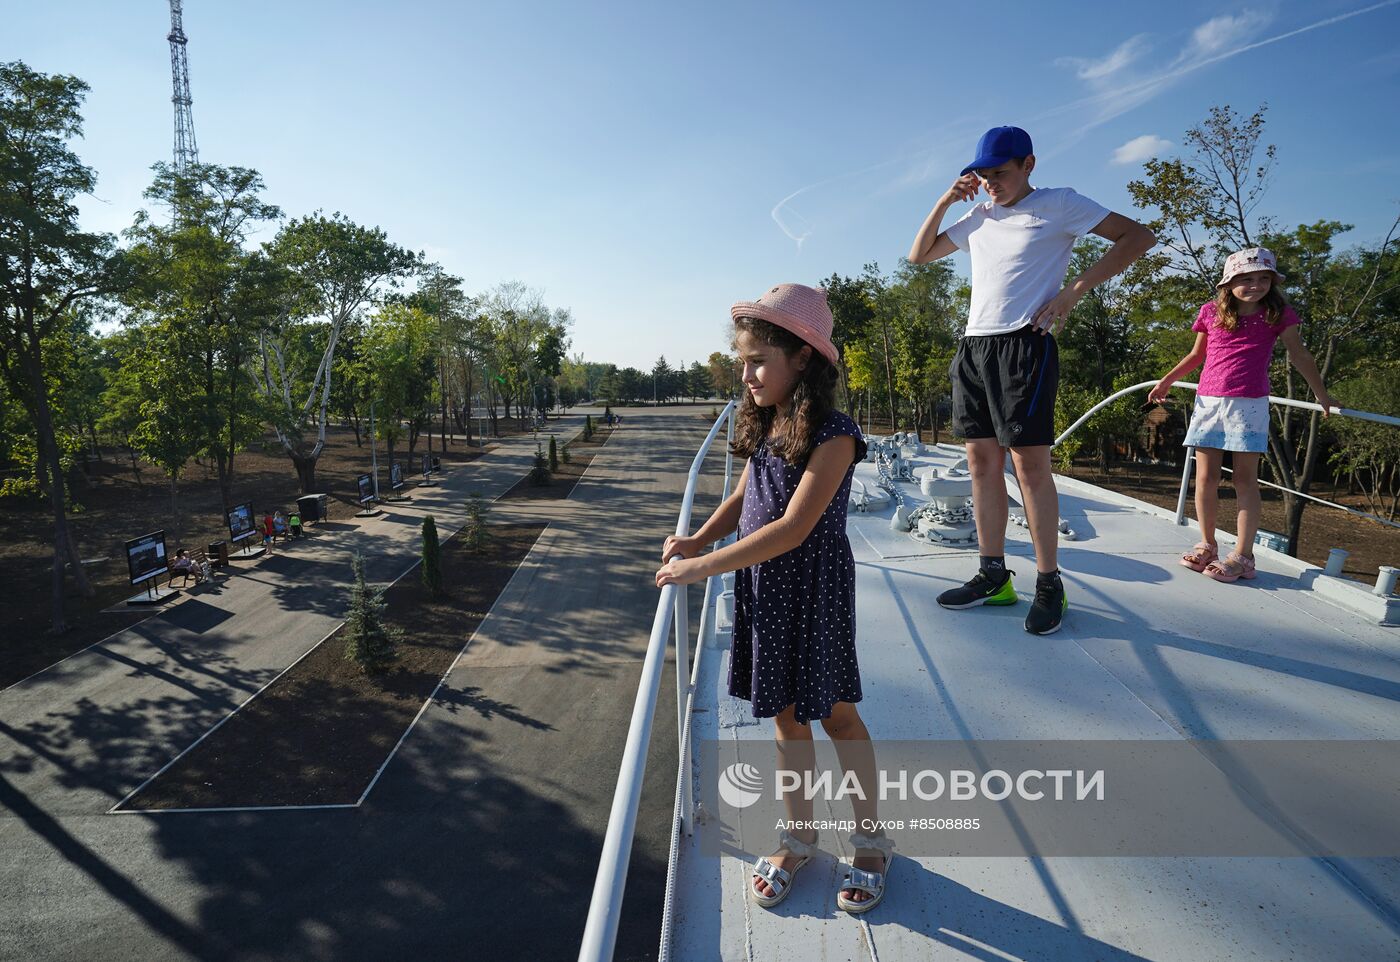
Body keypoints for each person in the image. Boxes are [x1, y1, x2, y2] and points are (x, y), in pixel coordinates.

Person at [655, 283, 893, 914]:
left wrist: (703, 566)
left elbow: (792, 527)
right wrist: (699, 536)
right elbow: (747, 494)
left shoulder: (835, 433)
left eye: (759, 359)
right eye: (743, 360)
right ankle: (798, 837)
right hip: (767, 586)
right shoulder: (767, 419)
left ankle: (871, 841)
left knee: (838, 717)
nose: (747, 373)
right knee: (787, 718)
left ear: (804, 359)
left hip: (812, 589)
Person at [908, 125, 1156, 634]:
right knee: (980, 464)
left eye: (1000, 172)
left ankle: (1049, 583)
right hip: (974, 346)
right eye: (982, 174)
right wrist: (945, 199)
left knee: (1031, 468)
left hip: (1025, 344)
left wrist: (1073, 292)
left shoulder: (1059, 203)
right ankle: (993, 576)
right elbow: (919, 255)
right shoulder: (978, 215)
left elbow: (1139, 236)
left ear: (1028, 165)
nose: (990, 182)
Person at [1149, 247, 1334, 582]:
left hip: (1249, 405)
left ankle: (1244, 556)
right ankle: (1207, 544)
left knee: (1244, 480)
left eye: (1264, 278)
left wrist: (1321, 394)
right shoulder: (1210, 312)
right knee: (1204, 478)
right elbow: (1196, 356)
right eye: (1246, 278)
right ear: (1229, 282)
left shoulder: (1278, 314)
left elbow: (1299, 354)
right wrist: (1167, 380)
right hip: (1209, 402)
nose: (1256, 285)